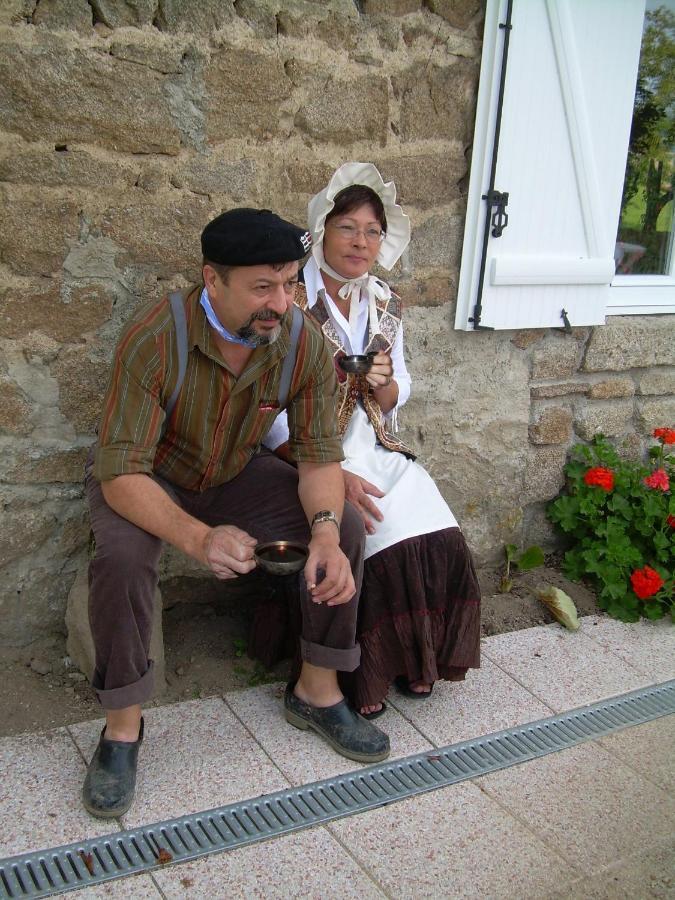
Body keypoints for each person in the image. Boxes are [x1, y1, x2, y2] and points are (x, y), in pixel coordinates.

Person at [83, 207, 390, 820]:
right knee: (120, 558)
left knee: (346, 527)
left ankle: (317, 689)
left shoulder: (298, 338)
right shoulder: (155, 338)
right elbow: (119, 476)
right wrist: (199, 539)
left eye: (290, 283)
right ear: (212, 281)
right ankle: (122, 729)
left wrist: (326, 533)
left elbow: (316, 456)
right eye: (261, 287)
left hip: (231, 471)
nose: (280, 302)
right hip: (147, 480)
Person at [260, 163, 481, 718]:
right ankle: (361, 673)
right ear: (322, 231)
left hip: (375, 441)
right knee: (375, 531)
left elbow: (400, 382)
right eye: (348, 228)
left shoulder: (384, 300)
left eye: (373, 231)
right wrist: (329, 473)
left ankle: (417, 660)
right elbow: (265, 409)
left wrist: (383, 385)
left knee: (431, 519)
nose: (361, 242)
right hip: (309, 447)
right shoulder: (291, 303)